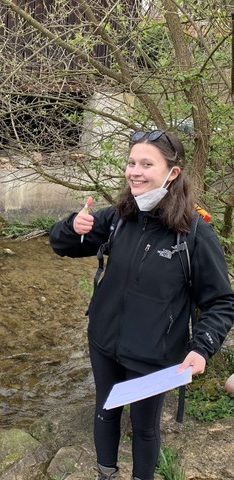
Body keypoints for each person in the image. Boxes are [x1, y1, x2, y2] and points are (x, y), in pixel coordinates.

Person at [49, 130, 234, 480]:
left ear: (172, 173)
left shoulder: (195, 233)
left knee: (144, 427)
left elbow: (221, 301)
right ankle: (106, 474)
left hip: (155, 354)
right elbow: (62, 245)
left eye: (147, 164)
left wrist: (202, 348)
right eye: (131, 162)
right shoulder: (120, 216)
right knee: (105, 410)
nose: (134, 171)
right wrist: (72, 227)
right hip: (104, 340)